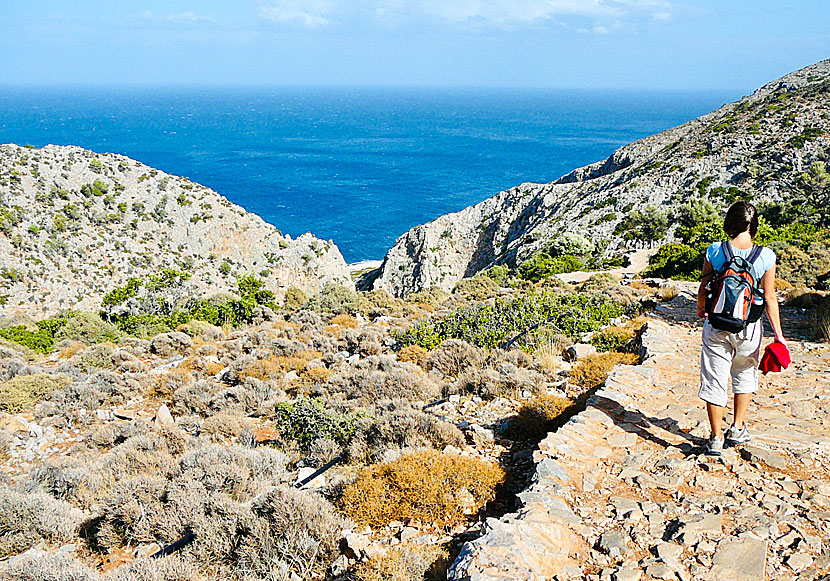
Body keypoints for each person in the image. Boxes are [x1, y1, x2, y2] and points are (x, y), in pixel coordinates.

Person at [696, 200, 786, 456]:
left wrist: (701, 308)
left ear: (729, 224)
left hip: (716, 325)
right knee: (744, 374)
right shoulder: (766, 256)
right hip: (749, 326)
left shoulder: (715, 250)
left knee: (715, 377)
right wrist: (778, 336)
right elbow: (769, 298)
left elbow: (703, 287)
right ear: (754, 226)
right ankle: (736, 428)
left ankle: (715, 438)